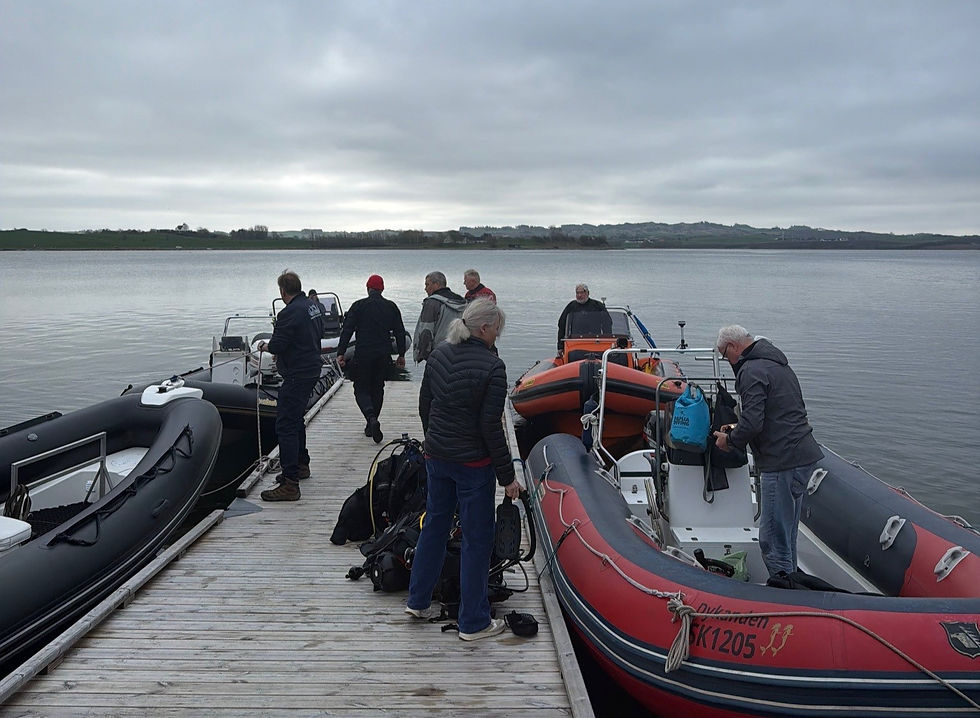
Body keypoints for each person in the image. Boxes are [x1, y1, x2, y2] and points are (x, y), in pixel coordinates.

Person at [406, 299, 524, 640]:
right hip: (473, 466)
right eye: (497, 328)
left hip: (437, 458)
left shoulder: (439, 354)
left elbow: (425, 405)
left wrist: (433, 441)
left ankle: (418, 599)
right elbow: (491, 428)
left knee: (434, 525)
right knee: (477, 540)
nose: (498, 334)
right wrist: (508, 478)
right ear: (484, 329)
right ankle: (473, 621)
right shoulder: (493, 367)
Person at [712, 325, 824, 578]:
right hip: (801, 455)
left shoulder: (750, 370)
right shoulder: (777, 364)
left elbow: (752, 422)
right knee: (787, 536)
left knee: (772, 540)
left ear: (732, 347)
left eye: (724, 355)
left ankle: (784, 595)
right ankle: (793, 589)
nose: (727, 361)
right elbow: (775, 412)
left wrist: (729, 440)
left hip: (781, 460)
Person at [257, 270, 324, 502]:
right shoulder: (312, 306)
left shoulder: (289, 313)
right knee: (296, 421)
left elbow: (278, 344)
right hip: (311, 368)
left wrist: (265, 346)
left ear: (282, 291)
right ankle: (301, 465)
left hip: (297, 374)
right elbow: (317, 334)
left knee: (285, 425)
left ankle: (290, 483)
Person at [335, 274, 407, 443]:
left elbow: (347, 330)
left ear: (368, 288)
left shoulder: (358, 306)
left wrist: (341, 352)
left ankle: (370, 418)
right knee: (378, 388)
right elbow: (400, 332)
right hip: (383, 355)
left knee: (360, 388)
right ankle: (371, 424)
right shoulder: (391, 307)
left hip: (363, 354)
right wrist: (402, 354)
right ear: (382, 289)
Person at [412, 271, 465, 363]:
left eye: (427, 284)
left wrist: (423, 354)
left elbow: (426, 331)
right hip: (459, 352)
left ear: (436, 284)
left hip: (438, 354)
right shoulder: (462, 302)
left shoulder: (432, 303)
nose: (425, 288)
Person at [556, 283, 606, 352]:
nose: (579, 295)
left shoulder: (597, 306)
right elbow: (562, 325)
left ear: (588, 293)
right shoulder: (571, 306)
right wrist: (560, 347)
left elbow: (607, 324)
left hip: (595, 341)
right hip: (576, 342)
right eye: (577, 293)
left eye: (582, 292)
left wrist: (607, 342)